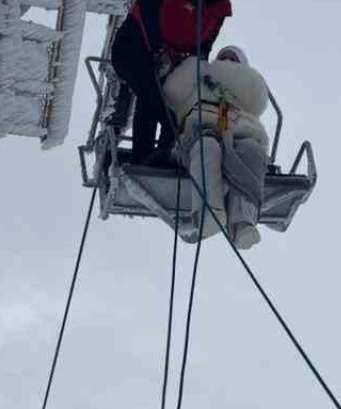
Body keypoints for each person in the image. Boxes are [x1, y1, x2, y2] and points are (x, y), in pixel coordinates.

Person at [162, 45, 270, 249]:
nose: (227, 61)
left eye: (233, 59)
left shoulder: (248, 88)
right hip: (201, 128)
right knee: (207, 146)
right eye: (224, 57)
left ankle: (242, 223)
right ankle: (209, 212)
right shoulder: (200, 74)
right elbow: (172, 92)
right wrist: (193, 68)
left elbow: (257, 102)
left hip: (239, 131)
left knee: (249, 153)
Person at [109, 0, 233, 165]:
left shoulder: (218, 10)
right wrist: (157, 50)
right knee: (152, 96)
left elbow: (204, 47)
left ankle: (165, 154)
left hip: (167, 58)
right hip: (134, 47)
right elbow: (148, 15)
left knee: (177, 106)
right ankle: (143, 157)